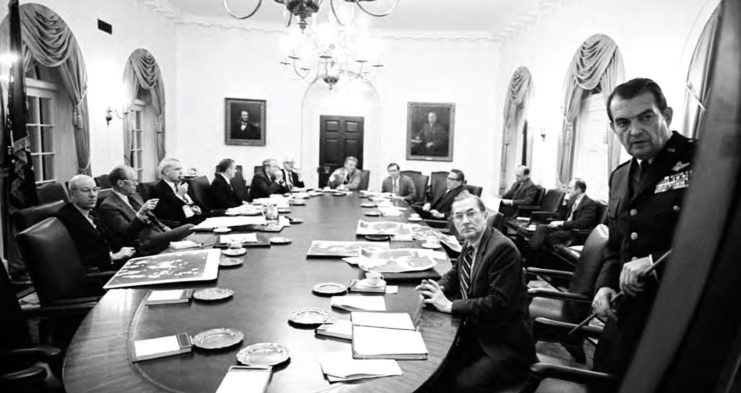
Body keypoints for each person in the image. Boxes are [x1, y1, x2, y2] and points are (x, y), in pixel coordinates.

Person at [590, 78, 696, 388]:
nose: (634, 131)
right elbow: (616, 245)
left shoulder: (704, 162)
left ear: (668, 115)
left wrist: (654, 261)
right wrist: (604, 286)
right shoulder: (621, 176)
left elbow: (723, 241)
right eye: (623, 122)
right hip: (624, 322)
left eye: (645, 117)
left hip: (676, 322)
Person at [416, 191, 536, 391]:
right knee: (438, 368)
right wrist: (437, 287)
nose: (465, 221)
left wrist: (449, 305)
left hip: (501, 343)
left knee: (460, 383)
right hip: (476, 329)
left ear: (485, 216)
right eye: (459, 216)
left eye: (471, 214)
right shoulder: (472, 241)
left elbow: (497, 304)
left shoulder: (502, 250)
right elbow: (455, 273)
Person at [98, 165, 194, 256]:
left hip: (157, 233)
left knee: (190, 234)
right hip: (144, 242)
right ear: (121, 183)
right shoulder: (108, 206)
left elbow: (152, 217)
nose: (137, 184)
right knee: (190, 227)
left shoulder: (134, 195)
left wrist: (164, 227)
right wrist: (140, 214)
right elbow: (126, 234)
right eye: (134, 181)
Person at [57, 175, 135, 271]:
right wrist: (115, 256)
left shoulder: (91, 211)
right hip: (100, 272)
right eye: (86, 190)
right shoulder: (66, 218)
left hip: (115, 262)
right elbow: (82, 256)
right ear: (72, 194)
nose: (92, 194)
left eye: (95, 189)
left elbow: (110, 237)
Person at [527, 178, 600, 264]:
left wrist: (562, 223)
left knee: (550, 236)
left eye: (569, 188)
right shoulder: (572, 200)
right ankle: (532, 260)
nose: (567, 190)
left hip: (575, 232)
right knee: (541, 229)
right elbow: (561, 216)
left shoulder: (589, 204)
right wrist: (564, 204)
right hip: (565, 228)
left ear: (578, 190)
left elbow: (582, 223)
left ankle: (534, 262)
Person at [150, 157, 203, 226]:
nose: (181, 172)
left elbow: (195, 203)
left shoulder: (183, 184)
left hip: (196, 218)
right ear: (166, 172)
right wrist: (179, 195)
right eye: (177, 169)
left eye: (181, 169)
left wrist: (198, 209)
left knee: (219, 214)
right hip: (182, 224)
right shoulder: (158, 190)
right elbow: (169, 214)